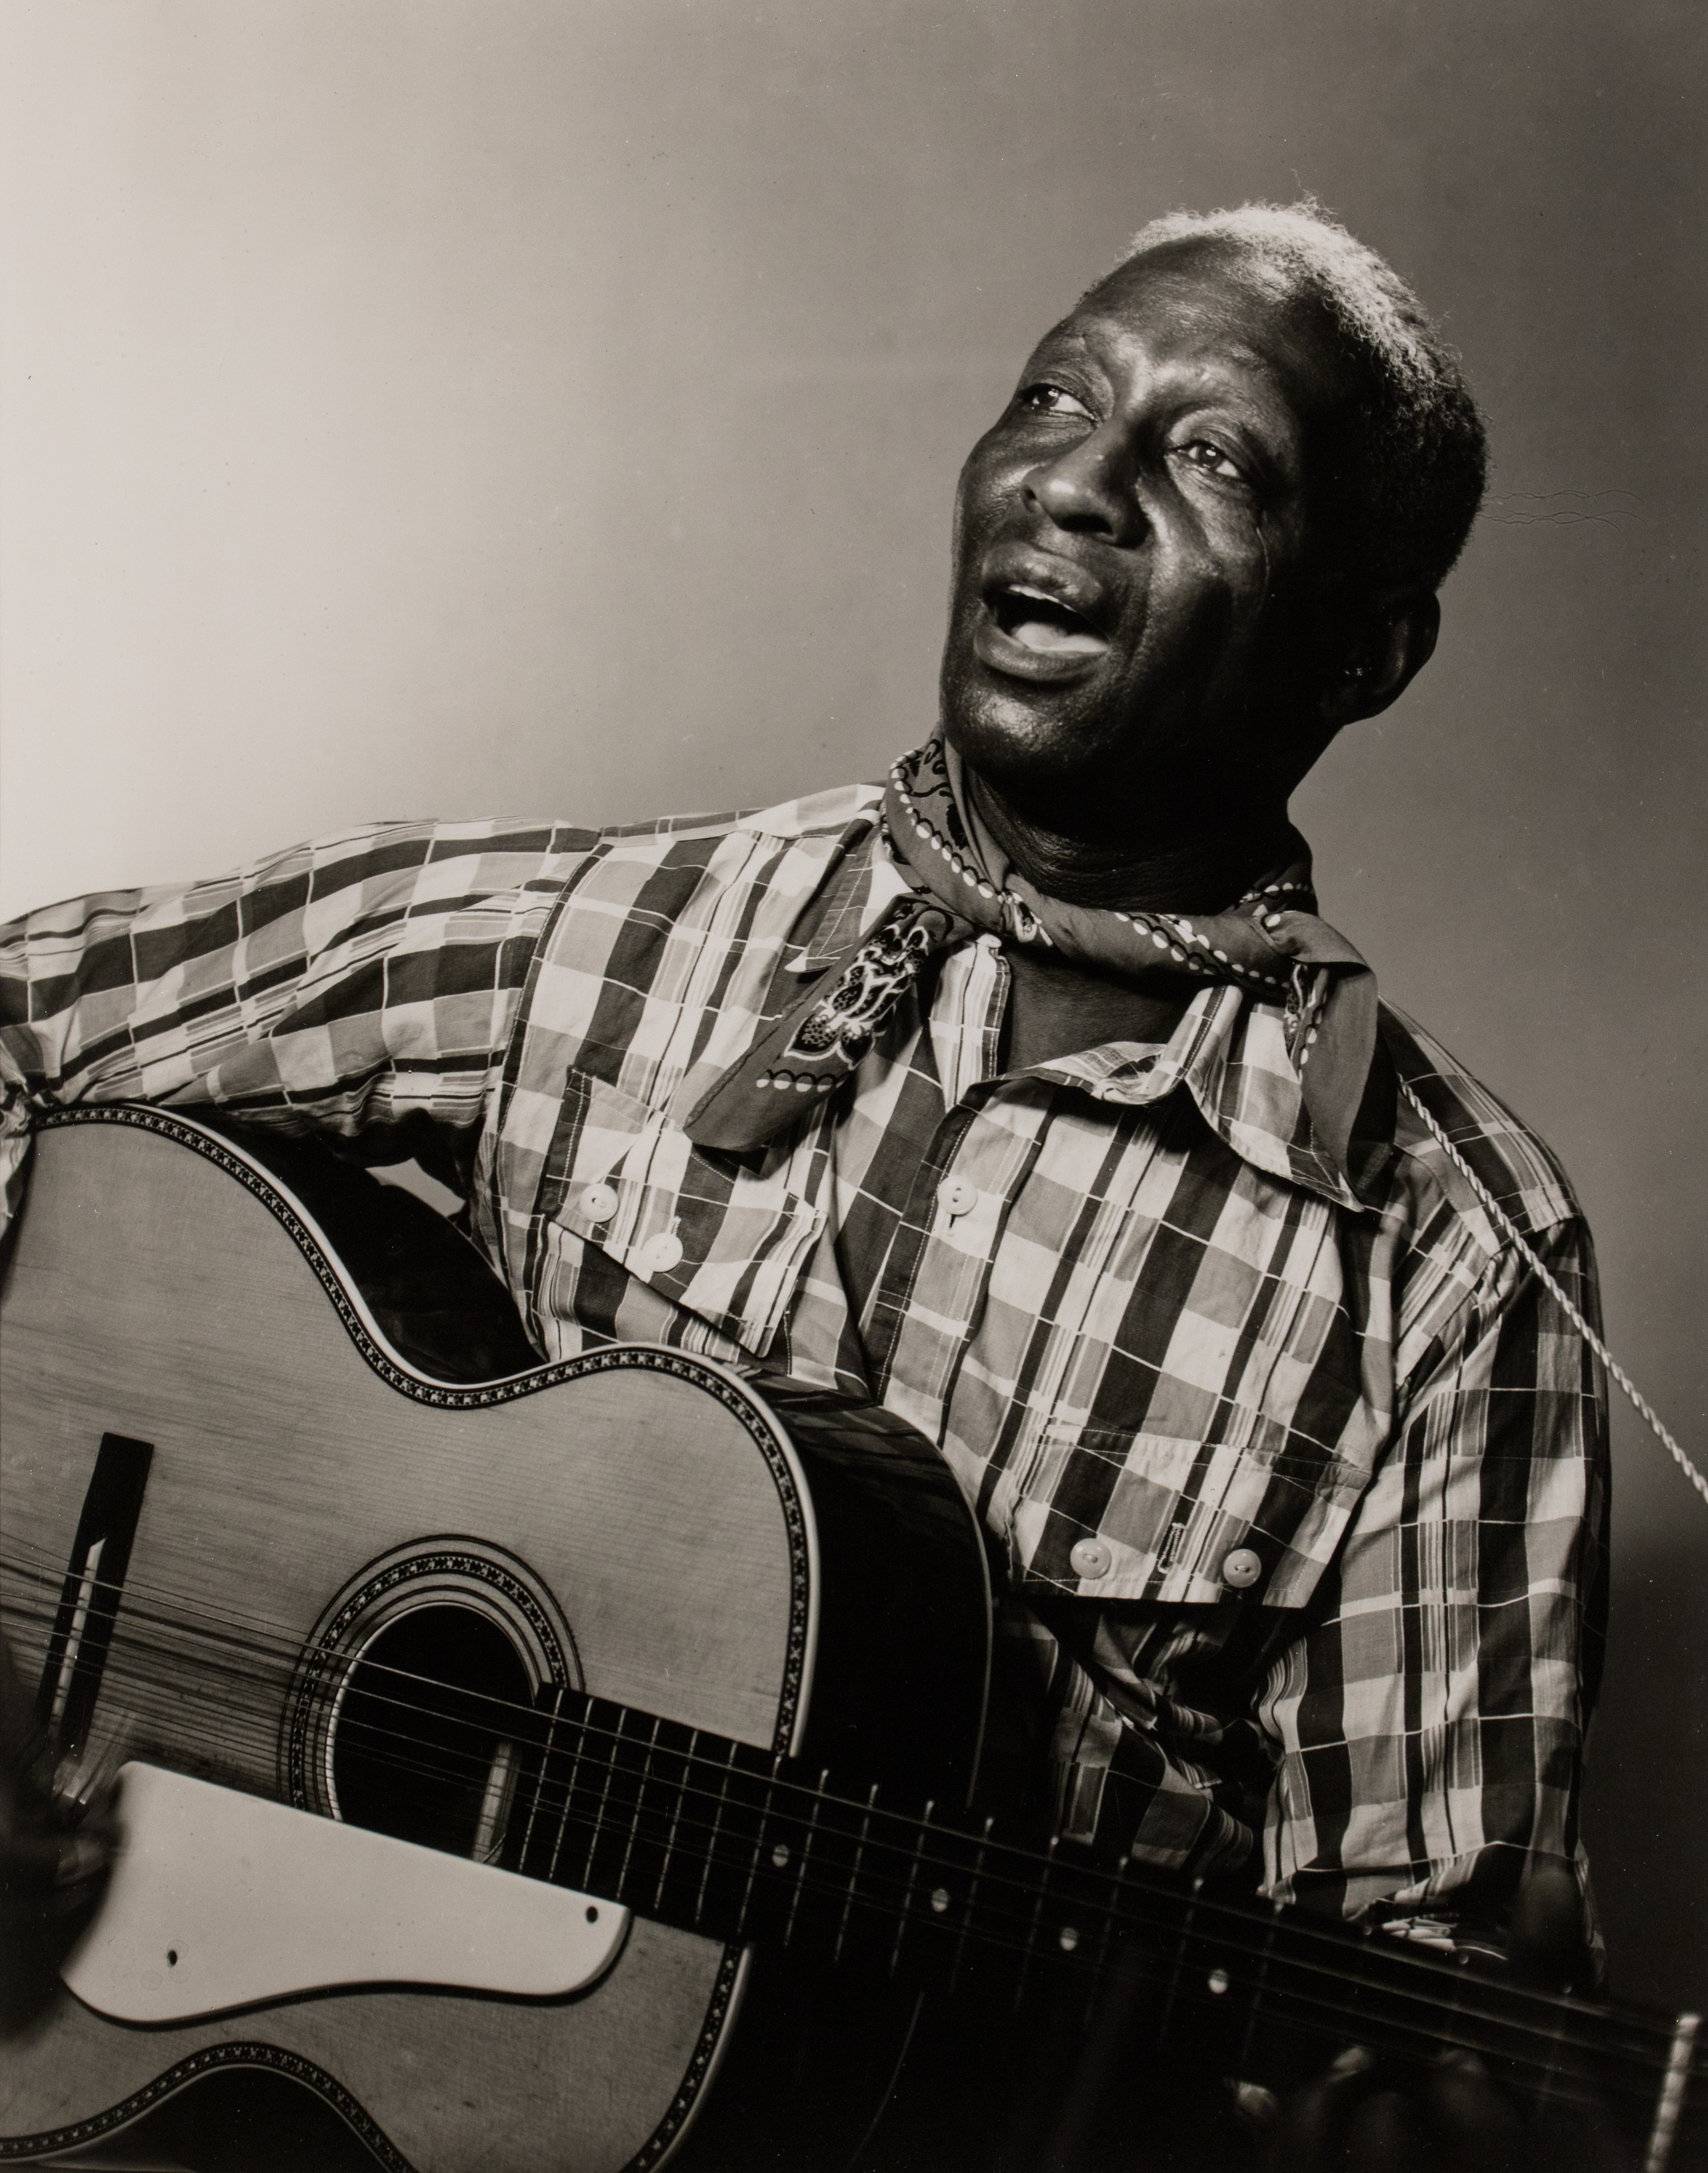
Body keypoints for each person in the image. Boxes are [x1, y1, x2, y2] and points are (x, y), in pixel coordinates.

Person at [0, 202, 1608, 2164]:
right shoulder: (600, 936)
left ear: (1369, 647)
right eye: (1053, 398)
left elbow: (1421, 1964)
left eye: (1211, 456)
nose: (1076, 482)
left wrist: (1404, 2111)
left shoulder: (1447, 1253)